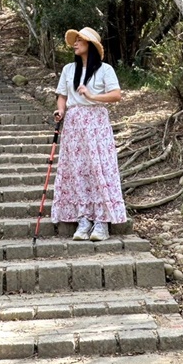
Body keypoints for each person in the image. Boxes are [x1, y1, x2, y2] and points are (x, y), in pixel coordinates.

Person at [50, 27, 127, 241]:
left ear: (90, 45)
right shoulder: (68, 69)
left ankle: (102, 220)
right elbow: (62, 95)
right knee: (77, 168)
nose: (75, 44)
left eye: (79, 40)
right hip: (74, 124)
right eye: (74, 41)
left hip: (96, 122)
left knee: (99, 167)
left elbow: (116, 95)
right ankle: (83, 218)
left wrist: (92, 96)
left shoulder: (105, 70)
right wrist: (61, 110)